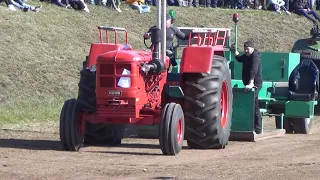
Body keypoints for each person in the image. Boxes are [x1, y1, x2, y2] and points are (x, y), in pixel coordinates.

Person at [235, 41, 263, 134]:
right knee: (253, 105)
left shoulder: (255, 56)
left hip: (255, 84)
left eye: (248, 49)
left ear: (252, 48)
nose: (246, 51)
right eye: (245, 49)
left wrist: (251, 83)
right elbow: (240, 59)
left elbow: (253, 70)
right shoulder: (247, 56)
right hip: (248, 83)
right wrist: (235, 52)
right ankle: (254, 128)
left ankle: (257, 128)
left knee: (253, 104)